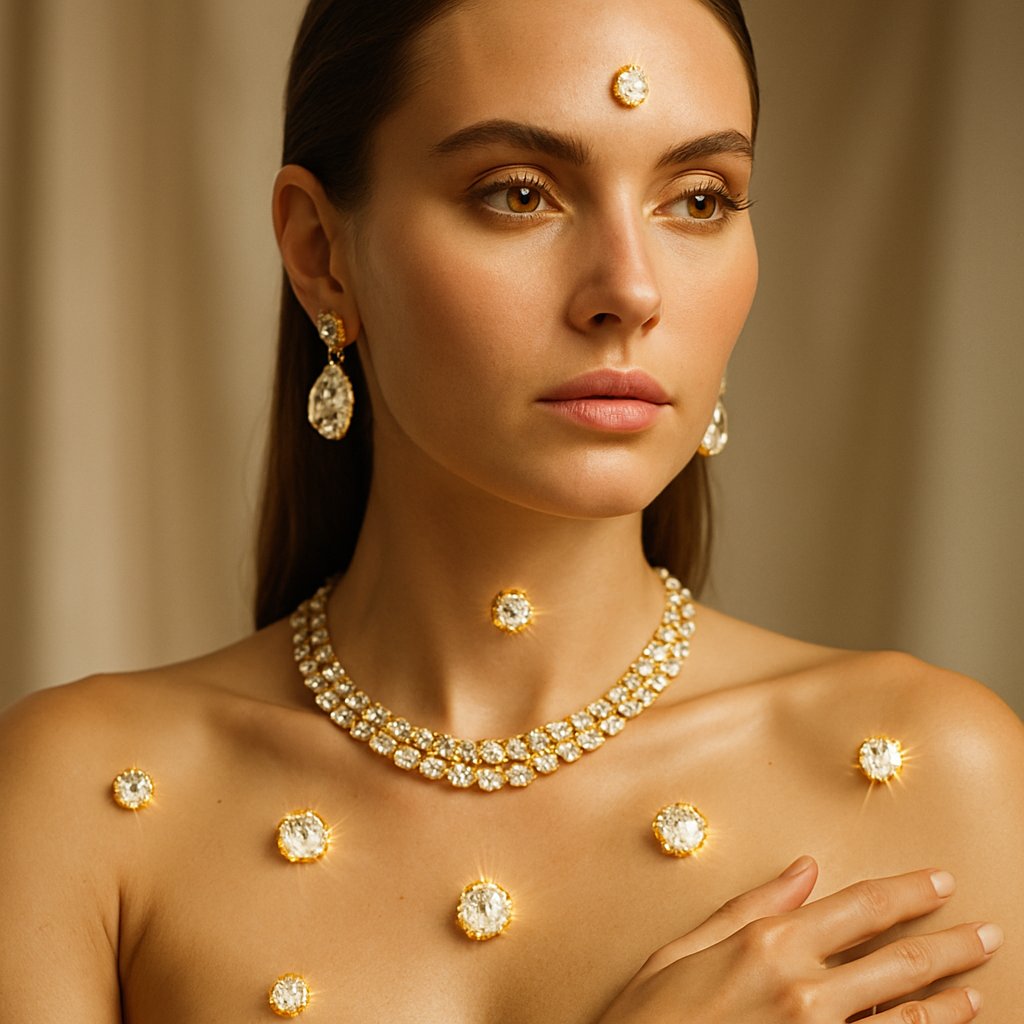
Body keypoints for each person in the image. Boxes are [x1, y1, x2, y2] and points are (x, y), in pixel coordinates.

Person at [1, 0, 1020, 1020]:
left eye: (700, 200)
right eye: (520, 193)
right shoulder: (87, 798)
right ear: (320, 249)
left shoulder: (933, 774)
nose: (629, 288)